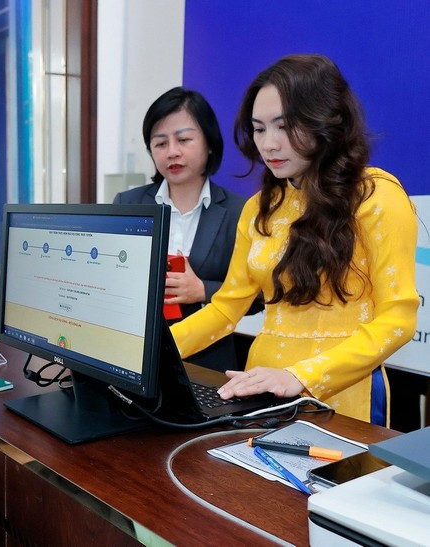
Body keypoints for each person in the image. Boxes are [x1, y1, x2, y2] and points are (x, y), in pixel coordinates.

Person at [170, 54, 419, 425]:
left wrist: (300, 376)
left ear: (325, 120)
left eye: (284, 127)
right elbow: (225, 310)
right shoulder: (259, 208)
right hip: (259, 389)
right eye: (258, 129)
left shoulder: (375, 196)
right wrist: (150, 352)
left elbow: (398, 318)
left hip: (341, 394)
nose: (268, 144)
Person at [114, 87, 260, 372]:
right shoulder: (128, 204)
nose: (172, 152)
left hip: (209, 363)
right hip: (137, 355)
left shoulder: (240, 211)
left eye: (183, 140)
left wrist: (203, 290)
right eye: (160, 143)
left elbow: (259, 298)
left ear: (209, 144)